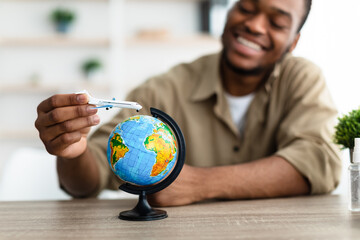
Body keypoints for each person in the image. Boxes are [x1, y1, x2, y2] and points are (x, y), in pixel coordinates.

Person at [35, 0, 341, 207]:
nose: (256, 26)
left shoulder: (302, 78)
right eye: (246, 7)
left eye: (276, 22)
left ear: (293, 41)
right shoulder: (164, 89)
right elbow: (89, 181)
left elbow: (320, 161)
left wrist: (200, 184)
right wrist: (72, 152)